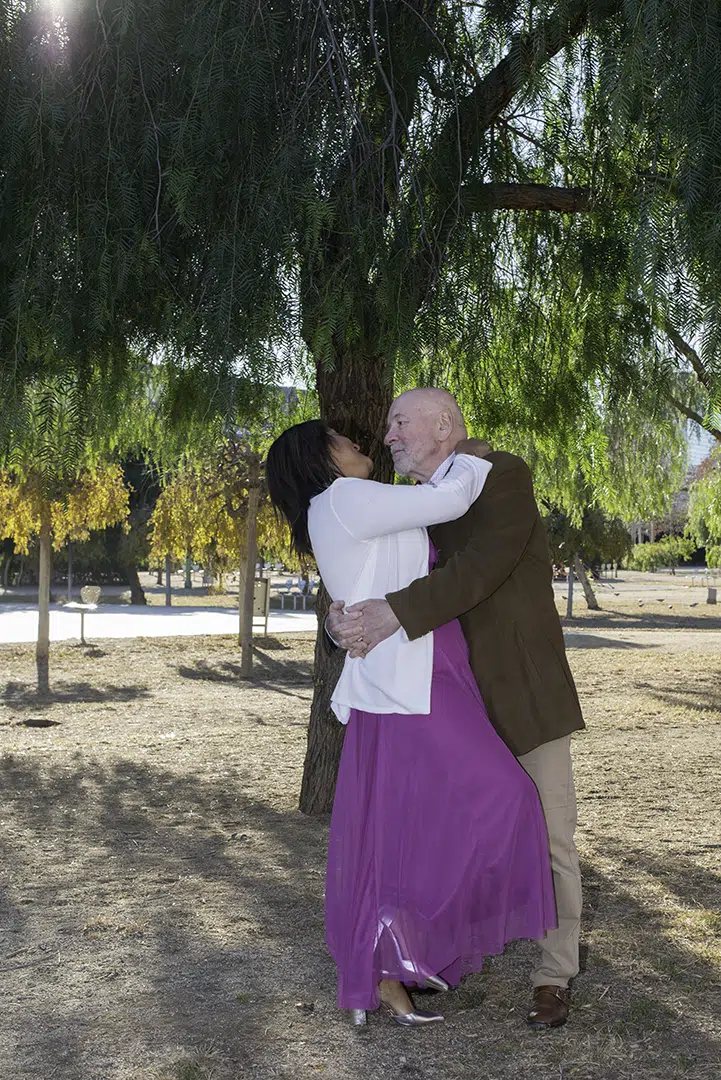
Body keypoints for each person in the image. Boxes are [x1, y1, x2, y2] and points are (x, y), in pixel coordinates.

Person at [266, 418, 556, 1029]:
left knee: (397, 832)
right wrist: (478, 452)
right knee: (504, 799)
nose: (362, 446)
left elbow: (385, 573)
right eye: (344, 443)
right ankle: (410, 951)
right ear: (320, 458)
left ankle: (389, 970)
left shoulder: (343, 506)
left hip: (422, 670)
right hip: (412, 680)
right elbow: (446, 499)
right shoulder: (342, 495)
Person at [328, 388, 585, 1029]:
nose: (387, 436)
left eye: (398, 422)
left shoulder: (503, 476)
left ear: (444, 423)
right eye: (387, 424)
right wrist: (338, 617)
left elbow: (480, 569)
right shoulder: (408, 501)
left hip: (515, 693)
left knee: (550, 835)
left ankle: (555, 973)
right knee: (438, 838)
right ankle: (438, 953)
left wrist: (394, 613)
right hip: (440, 707)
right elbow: (364, 569)